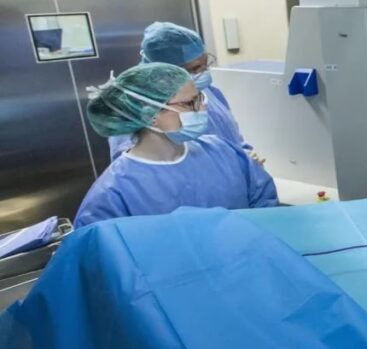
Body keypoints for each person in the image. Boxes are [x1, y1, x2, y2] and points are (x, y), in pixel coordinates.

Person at [75, 63, 278, 228]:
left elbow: (267, 211)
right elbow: (102, 255)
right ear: (149, 115)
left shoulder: (224, 152)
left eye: (199, 98)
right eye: (189, 103)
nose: (202, 107)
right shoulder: (113, 194)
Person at [108, 21, 247, 161]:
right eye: (195, 69)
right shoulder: (132, 111)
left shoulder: (210, 92)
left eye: (206, 64)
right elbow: (135, 164)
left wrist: (246, 157)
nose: (204, 73)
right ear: (165, 71)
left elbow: (233, 137)